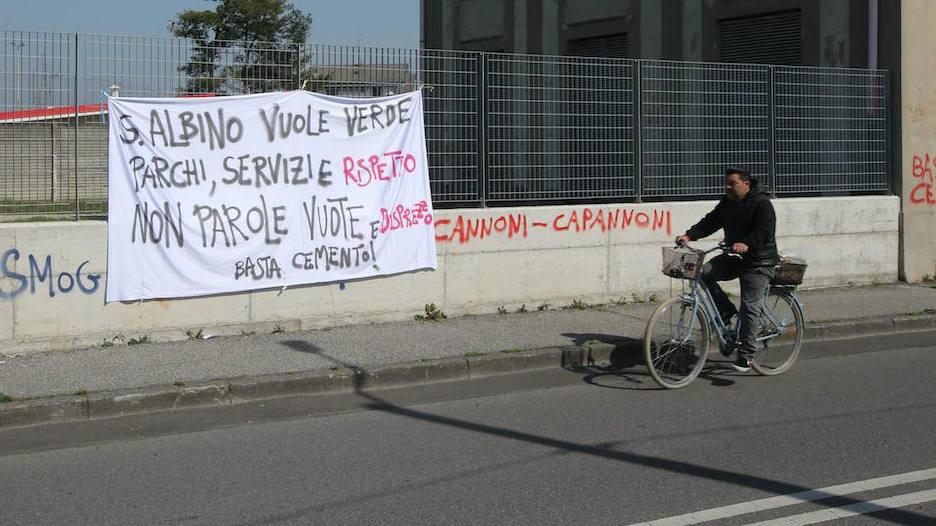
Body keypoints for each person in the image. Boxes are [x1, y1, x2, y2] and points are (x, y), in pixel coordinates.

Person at [676, 167, 778, 372]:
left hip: (758, 261)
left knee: (749, 306)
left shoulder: (761, 203)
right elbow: (711, 221)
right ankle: (725, 312)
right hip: (735, 257)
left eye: (732, 183)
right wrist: (689, 235)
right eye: (726, 183)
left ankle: (747, 354)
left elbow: (765, 231)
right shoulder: (727, 203)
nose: (727, 187)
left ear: (746, 184)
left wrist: (746, 243)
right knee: (703, 273)